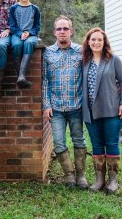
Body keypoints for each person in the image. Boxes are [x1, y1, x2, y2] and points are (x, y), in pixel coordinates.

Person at [42, 15, 88, 189]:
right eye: (59, 29)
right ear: (55, 32)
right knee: (59, 142)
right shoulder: (47, 53)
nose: (62, 32)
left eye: (65, 29)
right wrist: (46, 105)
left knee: (79, 140)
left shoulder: (81, 51)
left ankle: (81, 175)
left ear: (71, 31)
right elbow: (44, 81)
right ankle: (69, 175)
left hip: (77, 106)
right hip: (56, 108)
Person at [81, 27, 122, 194]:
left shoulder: (113, 60)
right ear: (88, 42)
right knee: (96, 145)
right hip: (90, 111)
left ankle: (113, 181)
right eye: (93, 39)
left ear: (104, 42)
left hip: (111, 110)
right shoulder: (84, 61)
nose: (96, 42)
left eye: (99, 40)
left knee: (112, 143)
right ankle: (99, 180)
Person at [9, 0, 41, 88]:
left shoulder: (35, 9)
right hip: (17, 33)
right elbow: (12, 26)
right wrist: (19, 33)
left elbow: (37, 27)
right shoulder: (13, 8)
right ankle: (20, 76)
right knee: (17, 44)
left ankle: (21, 76)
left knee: (28, 43)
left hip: (31, 35)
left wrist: (29, 32)